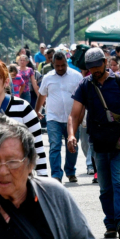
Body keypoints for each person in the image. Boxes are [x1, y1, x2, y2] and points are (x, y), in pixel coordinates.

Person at [68, 47, 120, 239]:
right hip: (98, 141)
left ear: (105, 62)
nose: (94, 70)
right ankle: (111, 223)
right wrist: (72, 135)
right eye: (91, 67)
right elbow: (74, 114)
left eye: (97, 66)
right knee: (105, 187)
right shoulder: (85, 85)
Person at [37, 51, 84, 183]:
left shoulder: (77, 76)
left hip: (73, 118)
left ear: (66, 62)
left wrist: (81, 116)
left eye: (63, 65)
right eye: (57, 66)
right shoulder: (47, 78)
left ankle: (70, 171)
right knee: (54, 146)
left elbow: (83, 98)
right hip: (53, 118)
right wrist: (37, 111)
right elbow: (42, 96)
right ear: (53, 64)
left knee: (72, 146)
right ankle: (56, 175)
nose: (60, 68)